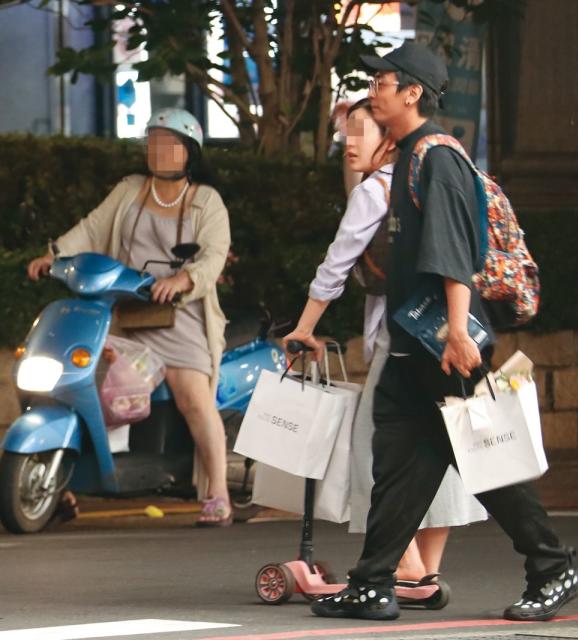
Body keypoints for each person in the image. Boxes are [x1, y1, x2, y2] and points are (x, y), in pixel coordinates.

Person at [310, 42, 578, 623]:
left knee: (488, 462)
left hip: (444, 345)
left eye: (383, 80)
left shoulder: (439, 158)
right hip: (416, 345)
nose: (375, 89)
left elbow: (454, 252)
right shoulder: (408, 155)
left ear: (412, 92)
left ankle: (553, 568)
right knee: (398, 468)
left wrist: (459, 330)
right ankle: (373, 582)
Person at [282, 98, 486, 589]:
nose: (348, 144)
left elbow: (336, 265)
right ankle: (425, 568)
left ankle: (407, 563)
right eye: (345, 133)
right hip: (446, 336)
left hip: (401, 338)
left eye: (360, 132)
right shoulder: (426, 182)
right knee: (440, 446)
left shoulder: (376, 190)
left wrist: (305, 327)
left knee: (373, 448)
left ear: (390, 137)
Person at [27, 108, 234, 527]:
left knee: (192, 396)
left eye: (169, 142)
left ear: (189, 151)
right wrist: (54, 256)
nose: (158, 150)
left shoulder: (206, 200)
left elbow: (213, 254)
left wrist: (183, 279)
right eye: (152, 141)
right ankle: (63, 485)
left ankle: (219, 492)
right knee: (77, 384)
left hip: (180, 315)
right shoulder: (130, 189)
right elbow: (91, 228)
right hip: (124, 312)